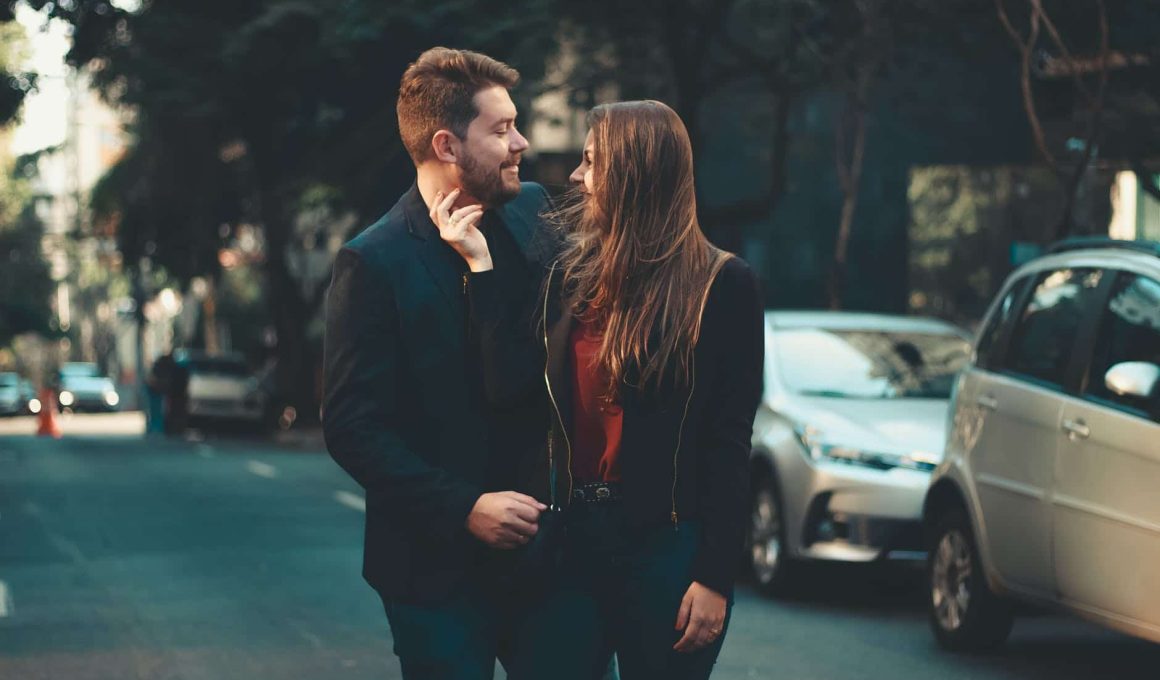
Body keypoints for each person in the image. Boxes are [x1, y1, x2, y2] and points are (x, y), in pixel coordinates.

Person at [440, 100, 764, 679]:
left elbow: (727, 443)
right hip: (571, 541)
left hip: (667, 549)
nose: (576, 177)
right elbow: (510, 384)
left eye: (591, 162)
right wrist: (480, 268)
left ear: (633, 172)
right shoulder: (571, 276)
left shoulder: (723, 285)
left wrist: (715, 577)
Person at [322, 47, 560, 679]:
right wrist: (463, 507)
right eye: (501, 129)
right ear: (448, 145)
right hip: (433, 573)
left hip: (550, 560)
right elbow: (351, 427)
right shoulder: (374, 263)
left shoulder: (536, 213)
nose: (522, 142)